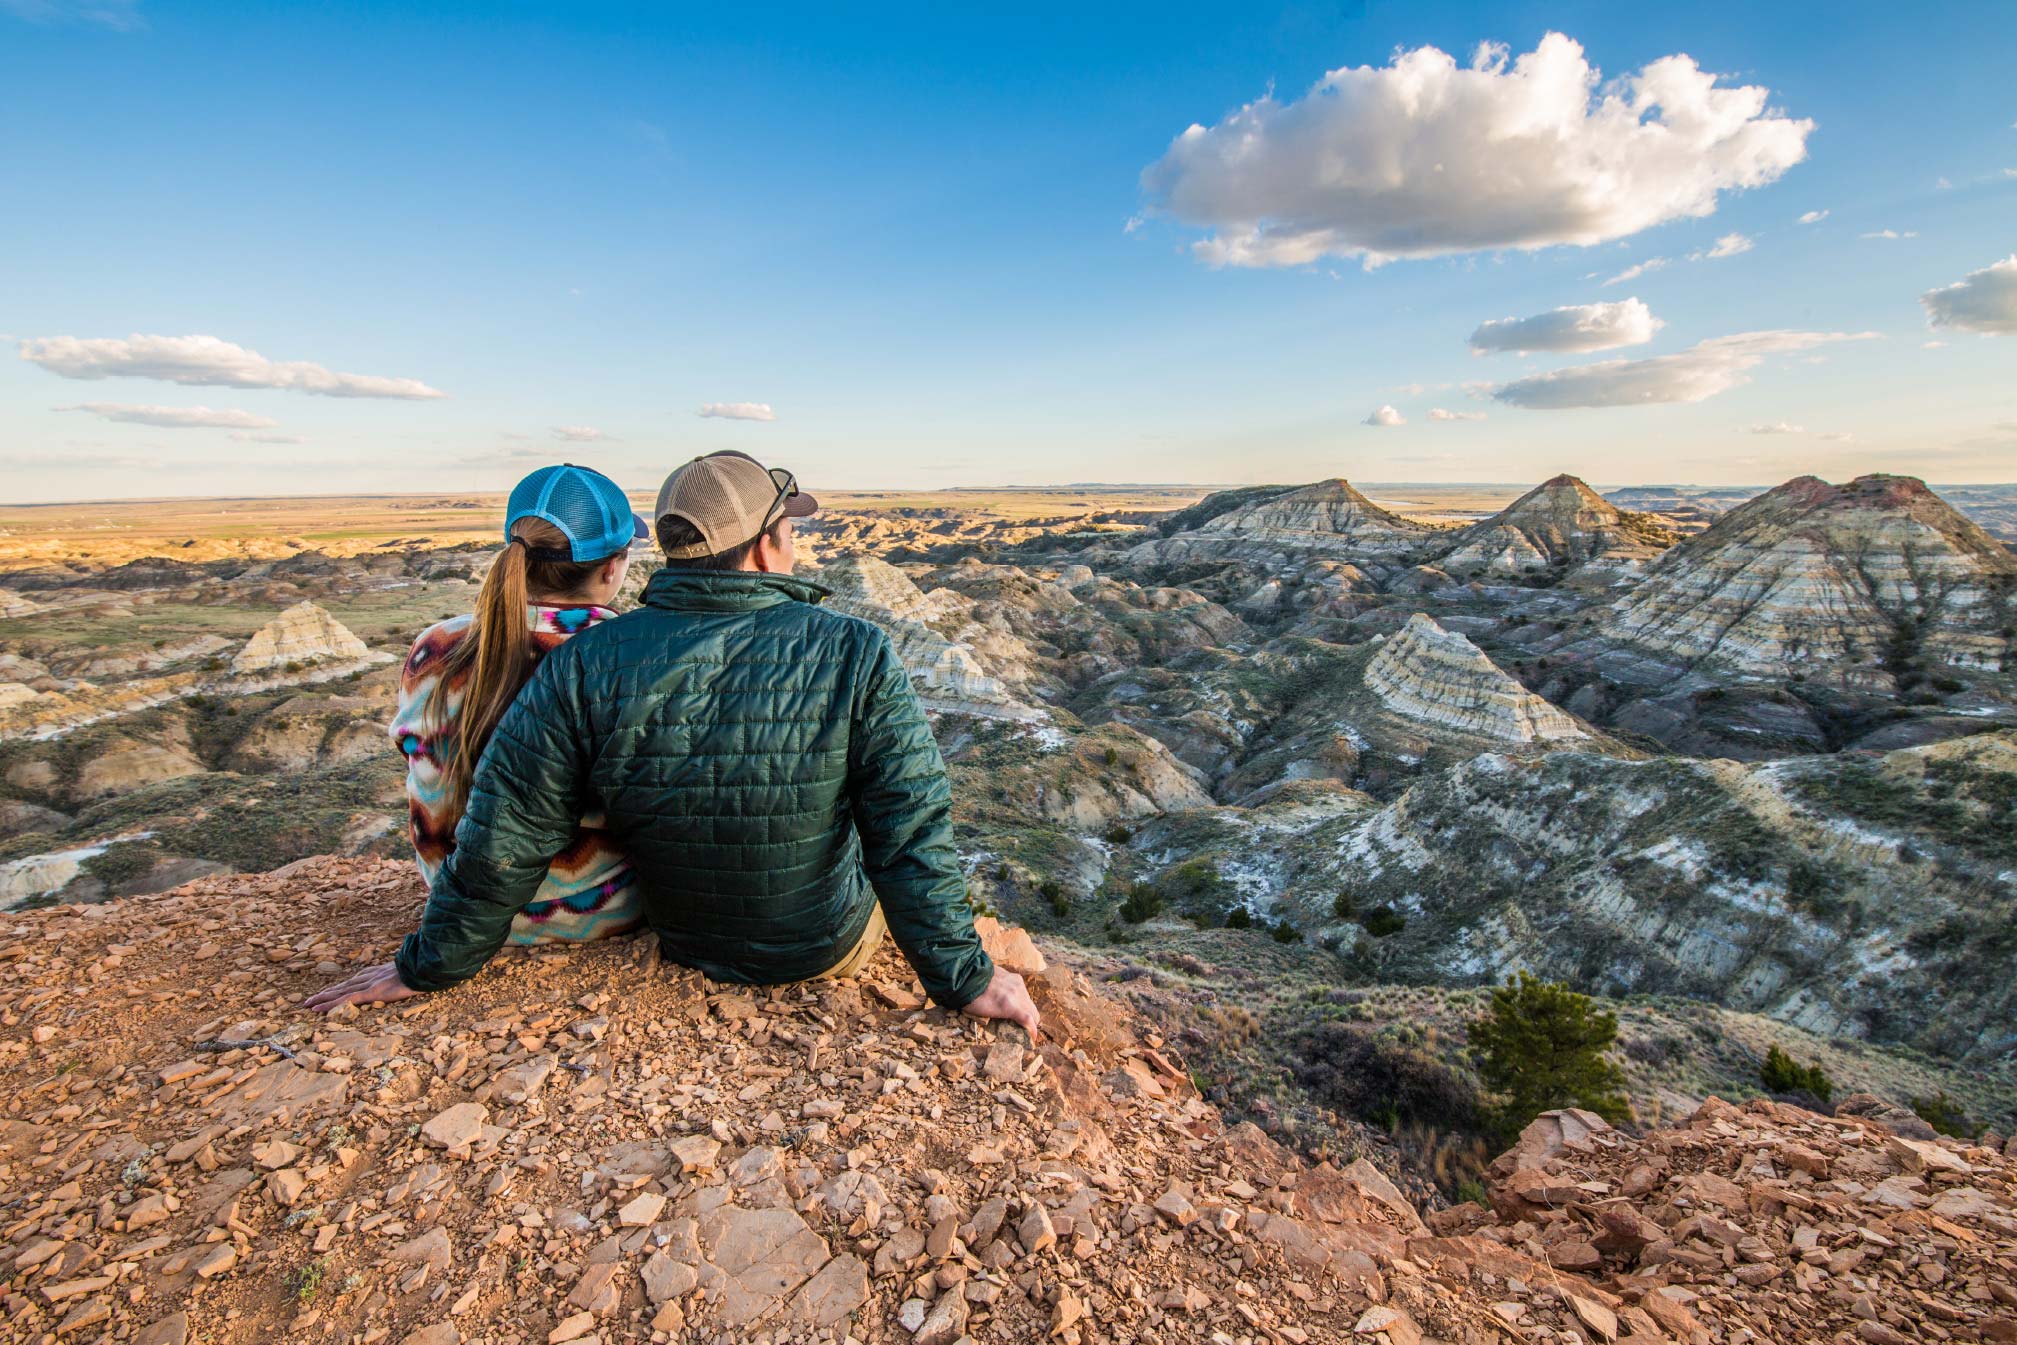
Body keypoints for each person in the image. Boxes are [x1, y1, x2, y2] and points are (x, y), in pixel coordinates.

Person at [309, 450, 1040, 1038]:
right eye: (788, 528)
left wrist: (430, 966)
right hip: (820, 943)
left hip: (685, 939)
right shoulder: (854, 649)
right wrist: (965, 979)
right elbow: (908, 835)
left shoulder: (589, 657)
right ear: (763, 548)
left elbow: (509, 827)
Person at [394, 463, 647, 945]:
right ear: (612, 567)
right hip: (597, 910)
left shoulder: (435, 647)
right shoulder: (626, 654)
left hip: (456, 904)